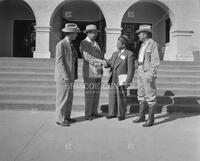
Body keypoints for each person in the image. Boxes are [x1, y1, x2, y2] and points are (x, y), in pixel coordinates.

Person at [132, 25, 160, 127]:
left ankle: (151, 119)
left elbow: (155, 61)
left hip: (147, 72)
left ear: (145, 34)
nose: (139, 35)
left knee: (150, 96)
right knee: (141, 94)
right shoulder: (143, 44)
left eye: (140, 33)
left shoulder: (153, 44)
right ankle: (141, 116)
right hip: (140, 70)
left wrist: (151, 74)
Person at [103, 35, 135, 121]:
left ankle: (121, 114)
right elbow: (108, 64)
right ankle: (112, 113)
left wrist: (128, 80)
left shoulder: (129, 54)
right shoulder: (114, 54)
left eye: (118, 43)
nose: (116, 45)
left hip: (122, 79)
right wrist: (105, 63)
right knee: (112, 96)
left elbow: (131, 69)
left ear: (124, 44)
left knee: (121, 97)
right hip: (113, 78)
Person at [55, 23, 80, 126]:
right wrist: (65, 75)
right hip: (64, 77)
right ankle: (60, 119)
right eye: (75, 33)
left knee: (69, 97)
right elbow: (59, 62)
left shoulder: (71, 44)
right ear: (70, 33)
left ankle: (67, 117)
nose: (77, 35)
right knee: (62, 98)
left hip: (71, 76)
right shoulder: (61, 44)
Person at [79, 24, 104, 120]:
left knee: (96, 92)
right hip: (89, 70)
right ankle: (88, 114)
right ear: (88, 33)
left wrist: (105, 61)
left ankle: (94, 111)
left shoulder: (95, 43)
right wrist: (101, 62)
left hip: (97, 70)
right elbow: (87, 57)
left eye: (96, 33)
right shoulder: (84, 43)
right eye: (93, 33)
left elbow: (99, 56)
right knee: (90, 93)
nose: (95, 34)